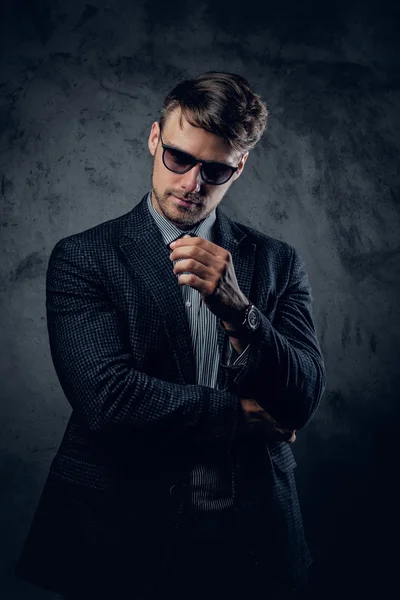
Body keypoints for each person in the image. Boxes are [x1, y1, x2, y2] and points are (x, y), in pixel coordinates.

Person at [15, 71, 325, 600]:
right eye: (179, 158)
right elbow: (108, 400)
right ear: (155, 138)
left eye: (216, 170)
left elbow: (302, 397)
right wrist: (239, 419)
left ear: (240, 167)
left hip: (253, 540)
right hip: (124, 534)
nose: (192, 184)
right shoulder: (85, 257)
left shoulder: (276, 261)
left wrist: (239, 310)